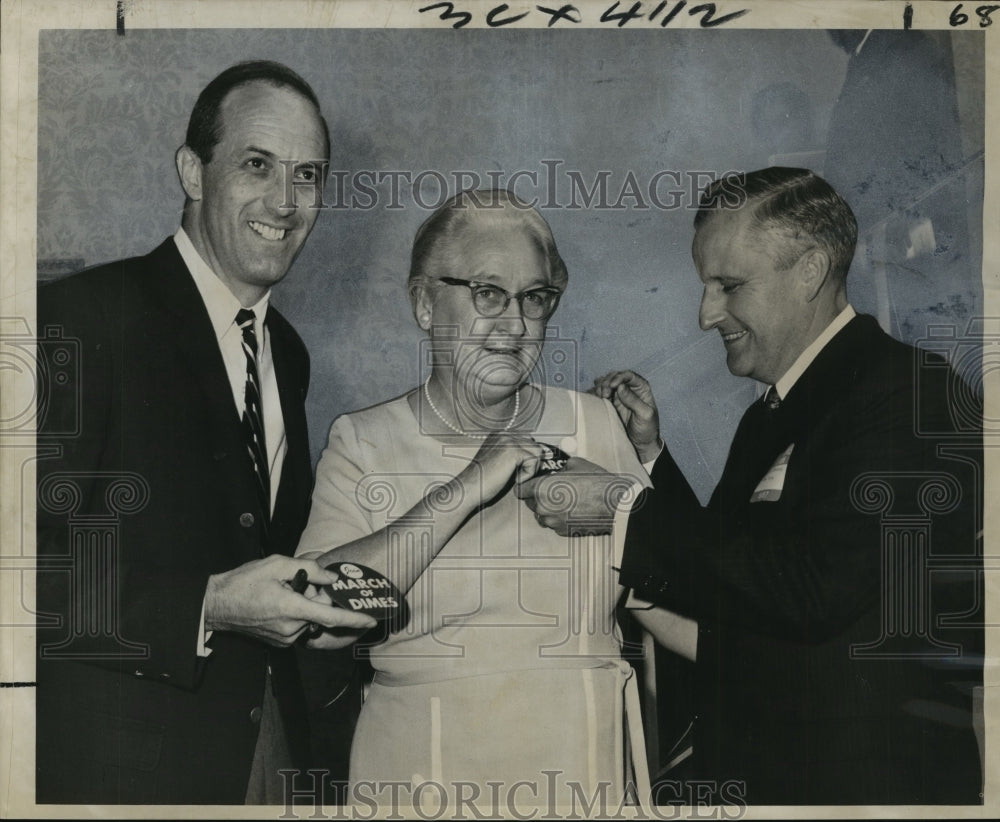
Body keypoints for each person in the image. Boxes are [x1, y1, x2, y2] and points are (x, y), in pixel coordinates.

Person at [519, 167, 983, 805]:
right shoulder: (775, 410)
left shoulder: (909, 393)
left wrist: (620, 506)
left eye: (728, 286)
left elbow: (812, 591)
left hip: (865, 788)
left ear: (811, 271)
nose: (707, 314)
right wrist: (647, 455)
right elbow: (732, 574)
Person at [35, 60, 376, 805]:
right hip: (121, 777)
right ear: (193, 171)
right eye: (258, 165)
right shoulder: (80, 319)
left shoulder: (287, 351)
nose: (286, 202)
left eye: (308, 175)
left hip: (270, 757)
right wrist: (208, 604)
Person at [296, 189, 650, 807]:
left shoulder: (596, 425)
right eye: (488, 293)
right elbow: (319, 621)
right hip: (422, 782)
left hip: (583, 778)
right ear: (424, 303)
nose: (515, 325)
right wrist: (464, 490)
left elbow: (665, 598)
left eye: (534, 299)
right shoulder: (364, 442)